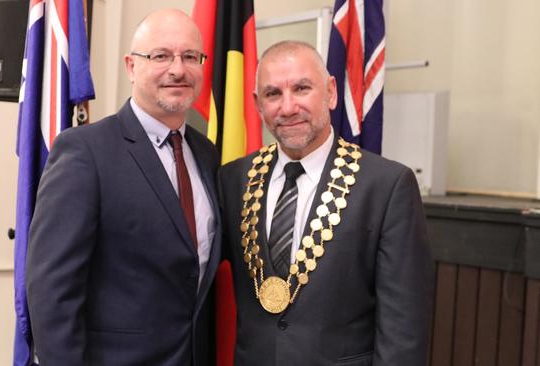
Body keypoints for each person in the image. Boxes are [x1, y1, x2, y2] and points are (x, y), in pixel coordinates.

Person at [219, 40, 434, 365]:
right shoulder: (233, 180)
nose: (288, 107)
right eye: (273, 93)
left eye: (302, 88)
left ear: (331, 92)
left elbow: (404, 330)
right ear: (257, 104)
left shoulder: (386, 186)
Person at [26, 9, 220, 366]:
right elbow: (52, 292)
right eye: (161, 56)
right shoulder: (86, 152)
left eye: (190, 56)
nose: (178, 69)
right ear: (131, 66)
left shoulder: (206, 154)